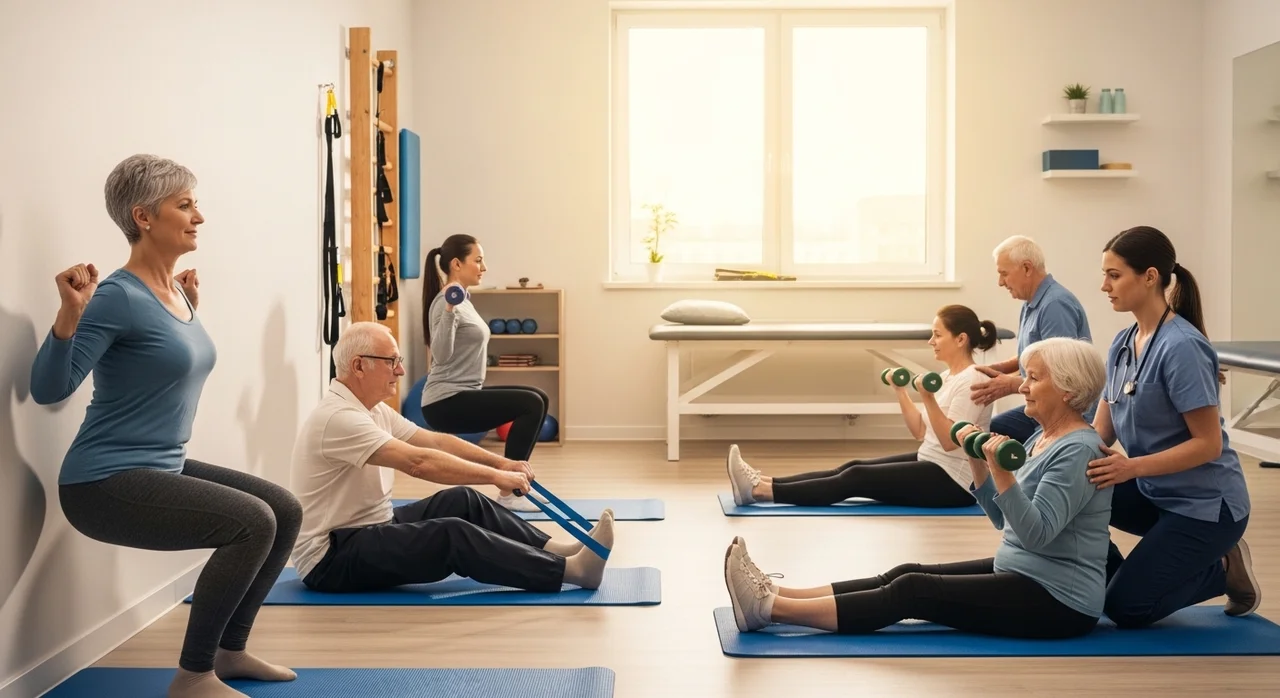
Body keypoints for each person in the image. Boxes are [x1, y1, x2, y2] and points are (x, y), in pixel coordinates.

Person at [30, 155, 301, 698]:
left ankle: (231, 650)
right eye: (185, 205)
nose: (198, 215)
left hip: (160, 466)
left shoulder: (175, 292)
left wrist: (191, 306)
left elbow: (163, 363)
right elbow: (49, 389)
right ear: (144, 217)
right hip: (102, 482)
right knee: (252, 522)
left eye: (195, 203)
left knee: (284, 509)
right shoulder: (116, 296)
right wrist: (69, 312)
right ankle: (194, 676)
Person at [724, 338, 1113, 640]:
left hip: (1058, 601)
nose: (1022, 386)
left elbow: (1036, 533)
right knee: (905, 571)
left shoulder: (1078, 451)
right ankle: (780, 593)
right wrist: (976, 459)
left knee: (913, 591)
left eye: (1034, 378)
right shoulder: (1040, 438)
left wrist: (1001, 471)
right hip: (1021, 569)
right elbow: (1001, 518)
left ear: (1067, 389)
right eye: (1025, 375)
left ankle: (770, 610)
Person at [290, 322, 614, 596]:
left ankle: (560, 552)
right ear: (359, 365)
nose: (400, 370)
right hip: (331, 558)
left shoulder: (371, 409)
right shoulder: (339, 418)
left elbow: (434, 439)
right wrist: (494, 478)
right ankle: (573, 572)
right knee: (451, 535)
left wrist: (499, 463)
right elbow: (419, 461)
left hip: (370, 527)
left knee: (463, 501)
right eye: (391, 361)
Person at [1090, 225, 1259, 628]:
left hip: (1206, 509)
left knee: (1125, 608)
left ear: (1149, 277)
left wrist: (1131, 467)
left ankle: (1221, 564)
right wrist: (1055, 453)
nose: (1104, 286)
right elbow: (1102, 431)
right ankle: (1102, 570)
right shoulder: (1123, 343)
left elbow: (1208, 445)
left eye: (1114, 275)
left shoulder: (1181, 346)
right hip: (1157, 493)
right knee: (1078, 483)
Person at [725, 305, 999, 509]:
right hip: (932, 461)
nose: (931, 342)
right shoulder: (945, 378)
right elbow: (919, 431)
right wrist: (900, 390)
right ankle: (764, 482)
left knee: (856, 477)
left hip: (956, 483)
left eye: (937, 335)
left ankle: (760, 492)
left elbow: (951, 443)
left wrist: (926, 397)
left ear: (961, 339)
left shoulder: (973, 380)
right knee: (852, 466)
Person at [420, 234, 550, 511]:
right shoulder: (446, 301)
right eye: (478, 260)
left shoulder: (464, 299)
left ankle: (514, 486)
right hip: (444, 402)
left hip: (464, 394)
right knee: (531, 404)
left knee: (538, 397)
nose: (484, 267)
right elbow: (440, 355)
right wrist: (450, 309)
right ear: (457, 263)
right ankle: (511, 491)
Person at [973, 235, 1093, 444]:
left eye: (1004, 274)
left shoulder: (1055, 305)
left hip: (1066, 416)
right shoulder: (1031, 302)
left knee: (989, 439)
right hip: (1045, 407)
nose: (1000, 282)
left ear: (1027, 268)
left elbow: (1061, 377)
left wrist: (1010, 385)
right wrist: (998, 369)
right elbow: (1030, 356)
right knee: (982, 434)